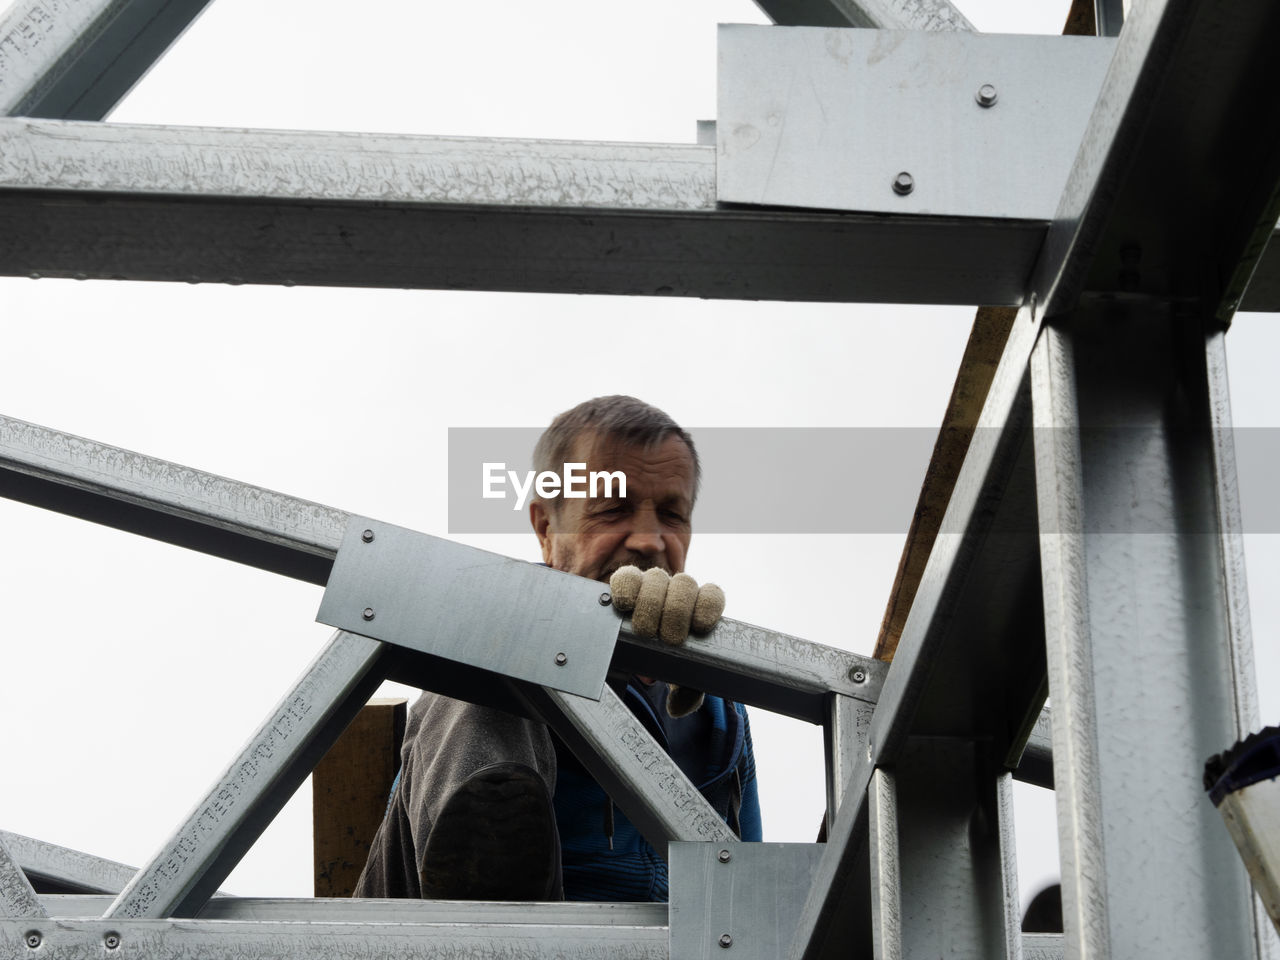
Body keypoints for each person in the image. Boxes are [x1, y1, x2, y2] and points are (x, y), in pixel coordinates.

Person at [353, 395, 761, 902]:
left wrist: (700, 660)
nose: (651, 540)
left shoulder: (718, 711)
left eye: (672, 515)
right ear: (547, 530)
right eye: (613, 508)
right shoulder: (488, 644)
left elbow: (747, 894)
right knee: (493, 647)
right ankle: (494, 921)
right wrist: (594, 652)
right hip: (452, 938)